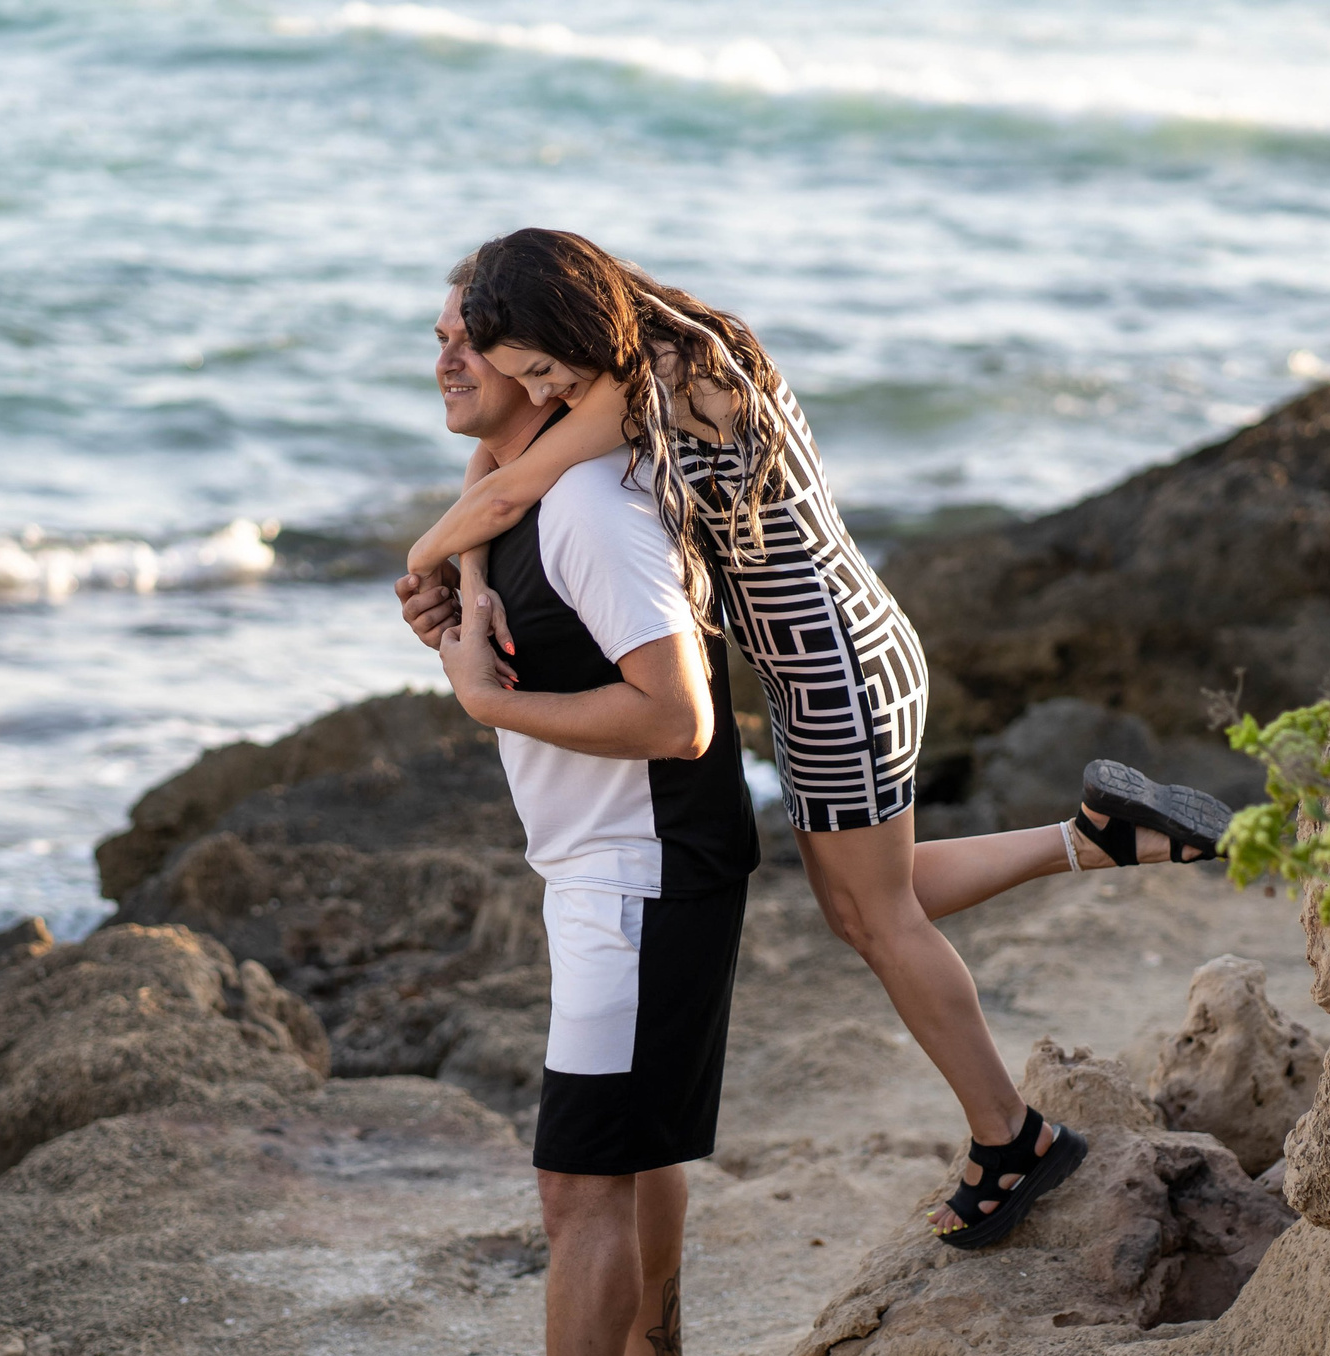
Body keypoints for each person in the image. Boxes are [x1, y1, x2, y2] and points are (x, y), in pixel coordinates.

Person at [398, 230, 1236, 1249]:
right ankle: (1095, 836)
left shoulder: (653, 383)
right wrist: (477, 584)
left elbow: (501, 489)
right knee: (863, 898)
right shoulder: (679, 338)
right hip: (840, 647)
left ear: (575, 327)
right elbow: (501, 460)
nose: (548, 389)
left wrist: (424, 559)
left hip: (830, 670)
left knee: (873, 918)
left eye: (545, 368)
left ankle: (1012, 1140)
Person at [400, 263, 760, 1356]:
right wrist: (464, 604)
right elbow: (503, 544)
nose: (446, 361)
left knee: (580, 1181)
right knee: (635, 1148)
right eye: (438, 339)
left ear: (539, 359)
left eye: (471, 345)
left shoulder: (592, 513)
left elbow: (676, 715)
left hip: (639, 862)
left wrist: (490, 704)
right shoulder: (529, 506)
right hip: (618, 860)